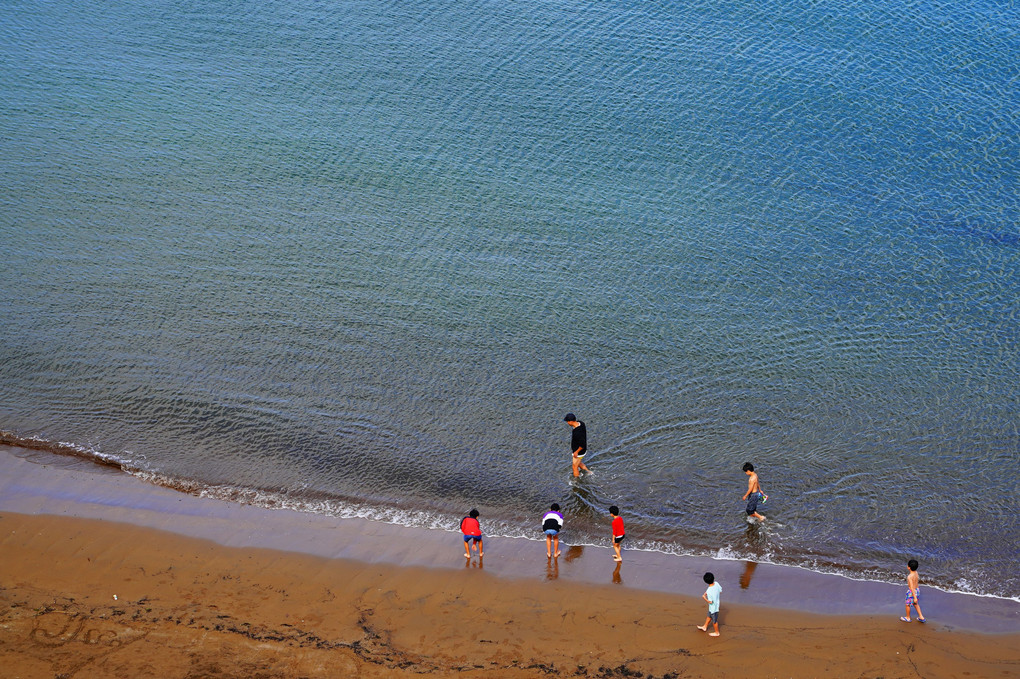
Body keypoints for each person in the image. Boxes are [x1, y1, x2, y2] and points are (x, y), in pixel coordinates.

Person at [697, 572, 722, 636]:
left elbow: (710, 602)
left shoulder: (709, 590)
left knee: (714, 621)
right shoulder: (716, 583)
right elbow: (720, 591)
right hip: (715, 605)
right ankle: (705, 626)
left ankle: (717, 633)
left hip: (714, 608)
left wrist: (704, 597)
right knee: (709, 616)